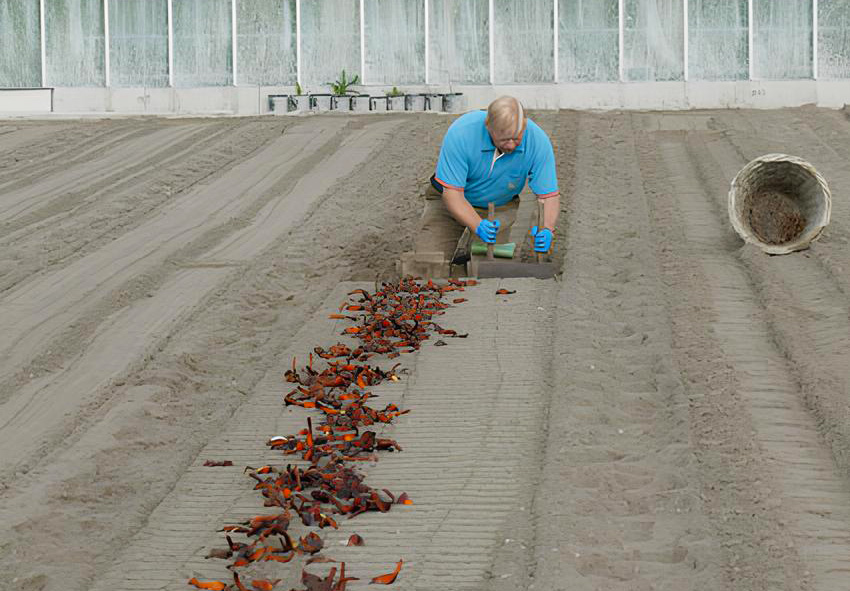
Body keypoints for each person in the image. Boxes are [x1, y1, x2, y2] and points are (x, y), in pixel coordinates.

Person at [412, 95, 559, 274]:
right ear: (488, 127)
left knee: (488, 269)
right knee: (427, 265)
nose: (511, 145)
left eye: (517, 138)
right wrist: (477, 225)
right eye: (504, 139)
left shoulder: (537, 141)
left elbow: (548, 195)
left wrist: (548, 229)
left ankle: (469, 253)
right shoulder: (462, 133)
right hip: (450, 202)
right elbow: (452, 194)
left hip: (498, 206)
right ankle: (465, 243)